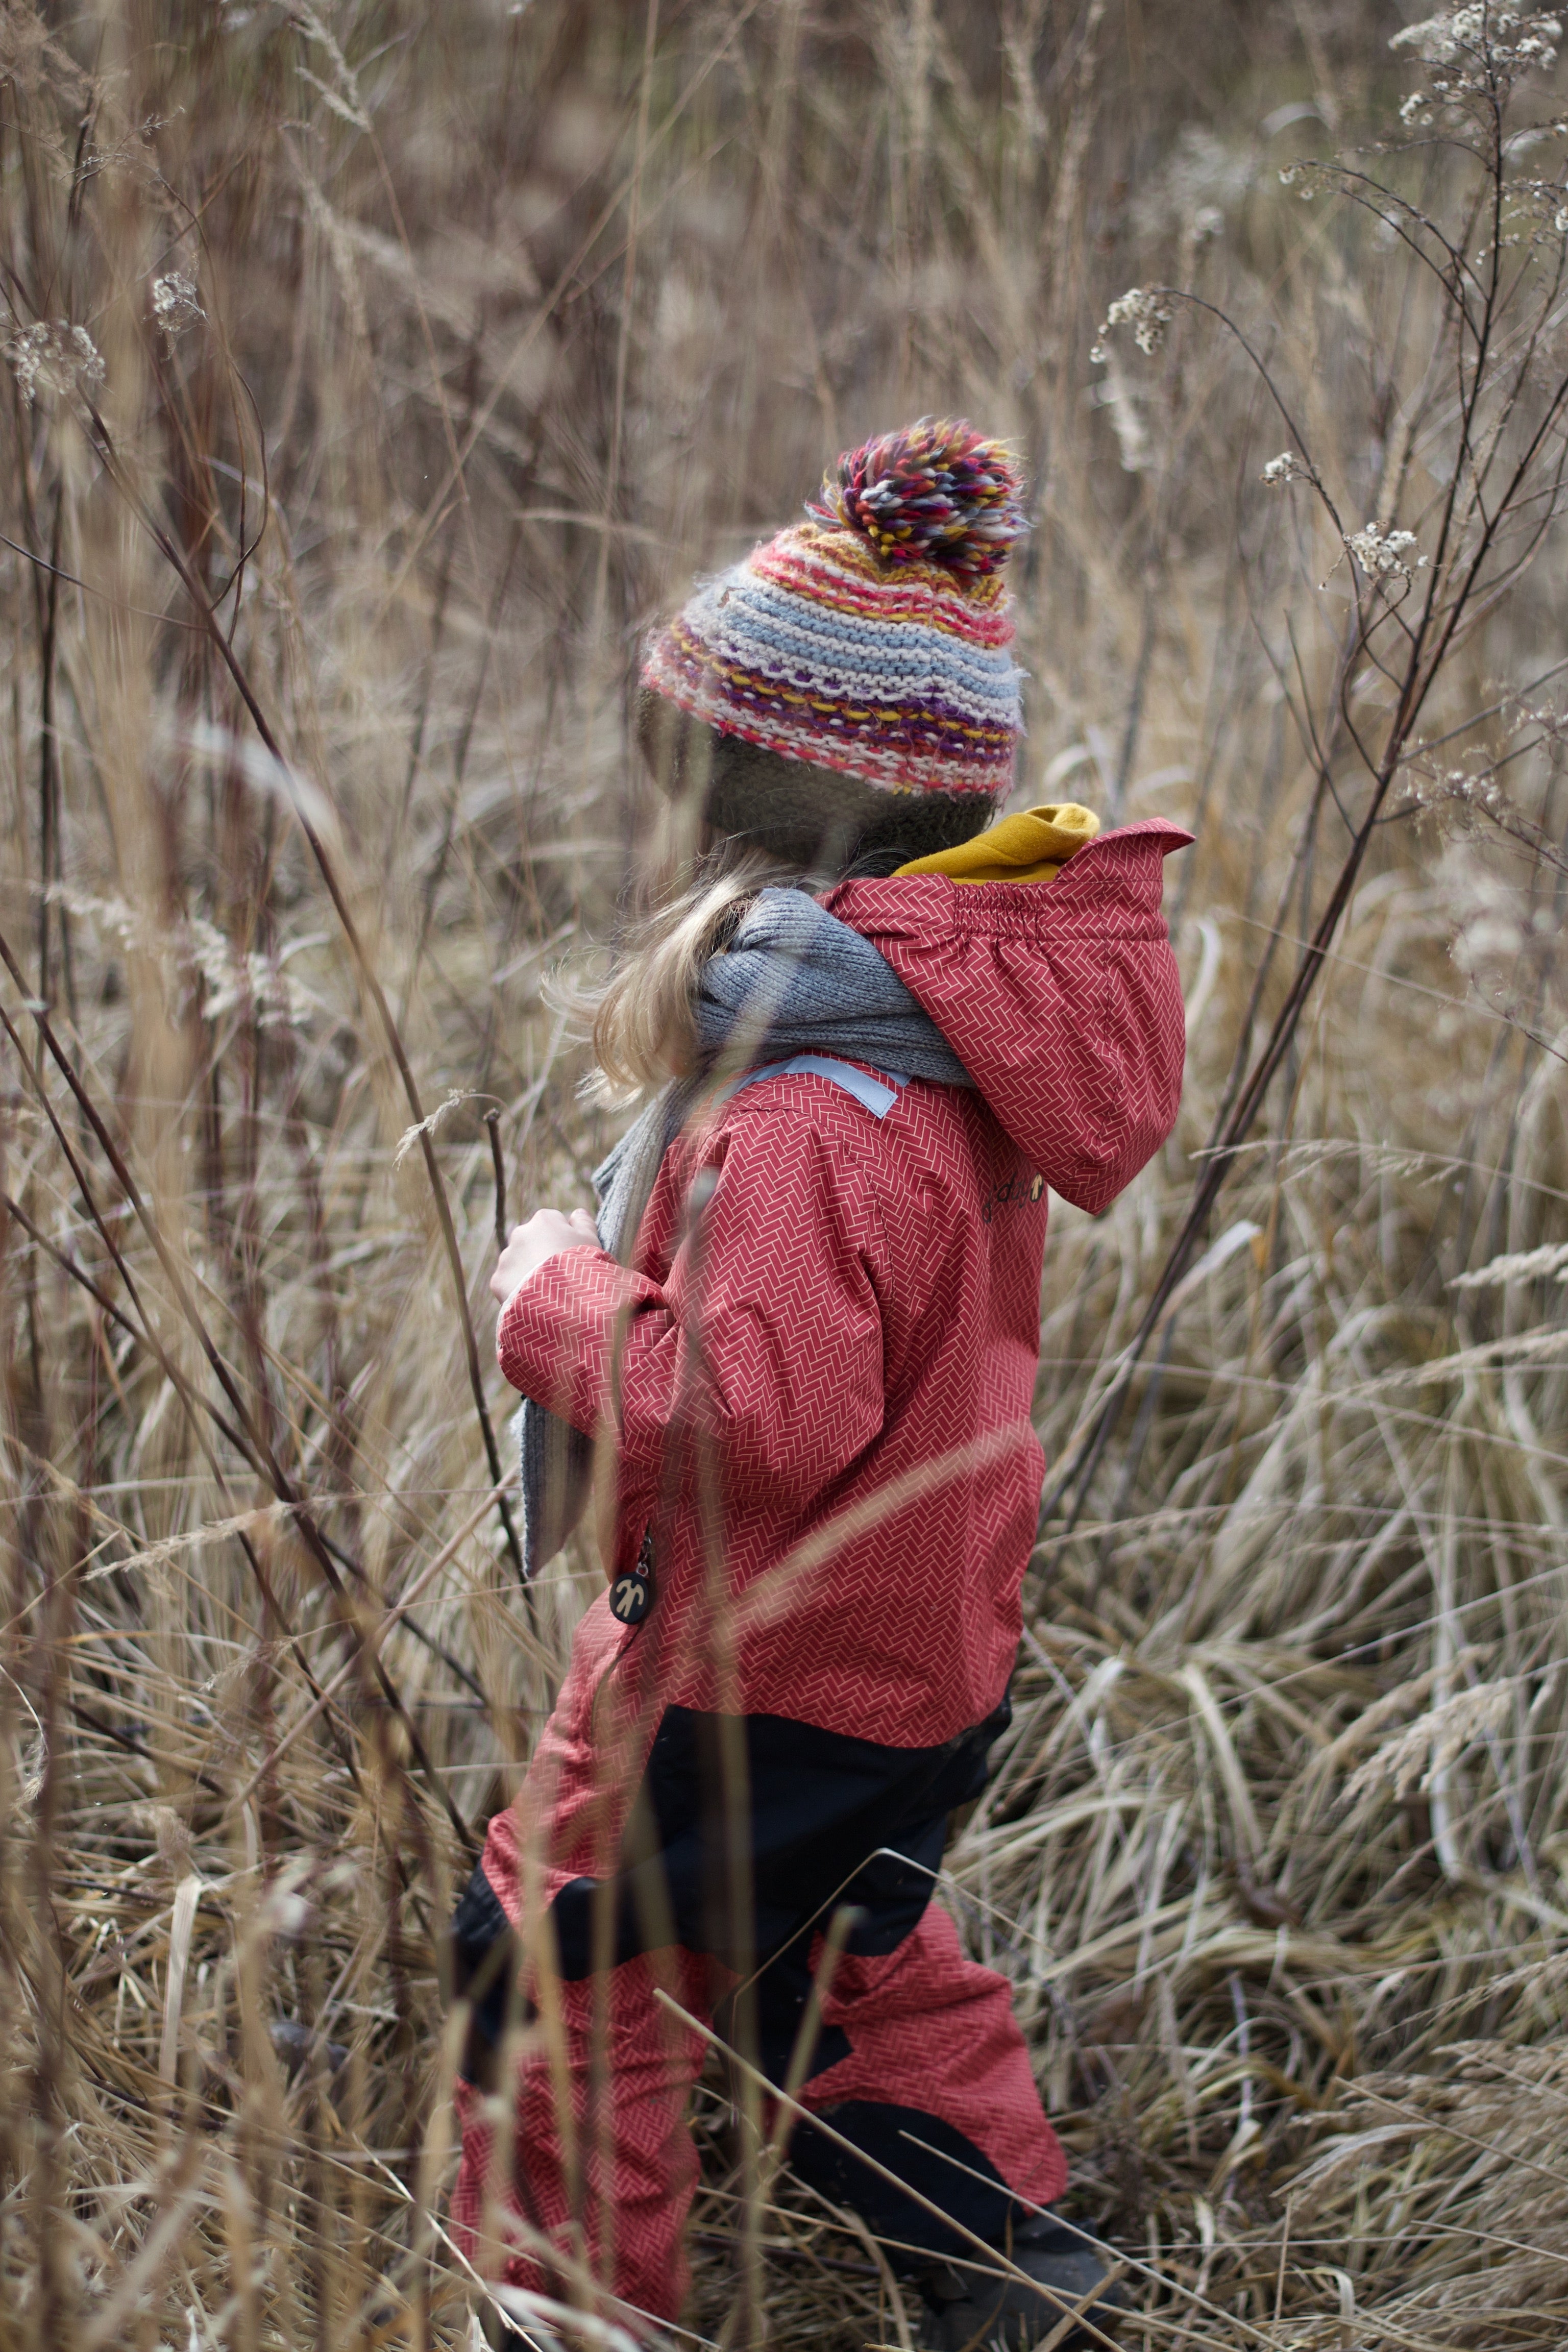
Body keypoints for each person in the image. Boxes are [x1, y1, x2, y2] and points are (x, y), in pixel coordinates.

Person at [449, 419, 1189, 2350]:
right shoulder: (950, 1041)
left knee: (564, 1945)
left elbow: (747, 1411)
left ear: (756, 829)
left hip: (743, 1656)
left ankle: (571, 2307)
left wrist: (552, 1295)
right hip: (911, 1652)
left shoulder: (812, 1109)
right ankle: (1012, 2260)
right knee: (842, 1946)